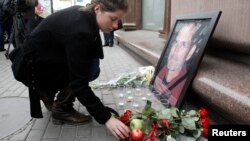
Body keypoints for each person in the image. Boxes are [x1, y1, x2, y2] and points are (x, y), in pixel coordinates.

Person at [9, 0, 130, 140]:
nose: (116, 26)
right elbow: (79, 84)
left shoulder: (84, 12)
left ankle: (47, 93)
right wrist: (106, 118)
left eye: (119, 20)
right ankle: (62, 108)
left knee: (90, 64)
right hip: (30, 69)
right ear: (98, 9)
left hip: (41, 61)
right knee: (89, 69)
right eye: (113, 19)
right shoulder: (79, 30)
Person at [153, 22, 198, 107]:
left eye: (184, 44)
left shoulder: (182, 86)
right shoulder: (160, 69)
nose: (175, 50)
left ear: (190, 53)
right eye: (176, 42)